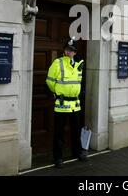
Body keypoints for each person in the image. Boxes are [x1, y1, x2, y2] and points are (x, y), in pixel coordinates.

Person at [46, 37, 87, 168]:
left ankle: (77, 152)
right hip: (62, 104)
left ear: (75, 52)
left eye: (72, 50)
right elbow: (50, 81)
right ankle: (58, 158)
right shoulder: (58, 63)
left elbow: (80, 82)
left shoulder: (80, 63)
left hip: (75, 104)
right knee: (59, 133)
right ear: (64, 50)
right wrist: (57, 93)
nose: (69, 52)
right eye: (67, 49)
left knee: (76, 131)